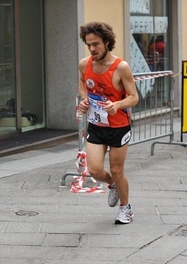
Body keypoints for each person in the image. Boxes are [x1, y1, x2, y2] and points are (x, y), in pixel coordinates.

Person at [77, 22, 139, 224]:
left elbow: (133, 97)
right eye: (89, 45)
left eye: (96, 44)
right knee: (93, 170)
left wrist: (118, 104)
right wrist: (84, 100)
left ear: (107, 42)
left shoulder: (121, 67)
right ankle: (113, 185)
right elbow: (82, 83)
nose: (92, 49)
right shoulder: (84, 64)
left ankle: (125, 208)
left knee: (117, 170)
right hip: (97, 125)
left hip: (118, 127)